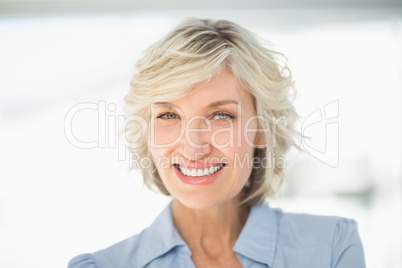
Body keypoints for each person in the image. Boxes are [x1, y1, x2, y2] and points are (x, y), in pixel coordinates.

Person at [68, 18, 366, 268]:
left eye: (221, 115)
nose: (194, 145)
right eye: (169, 114)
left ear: (262, 128)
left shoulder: (332, 249)